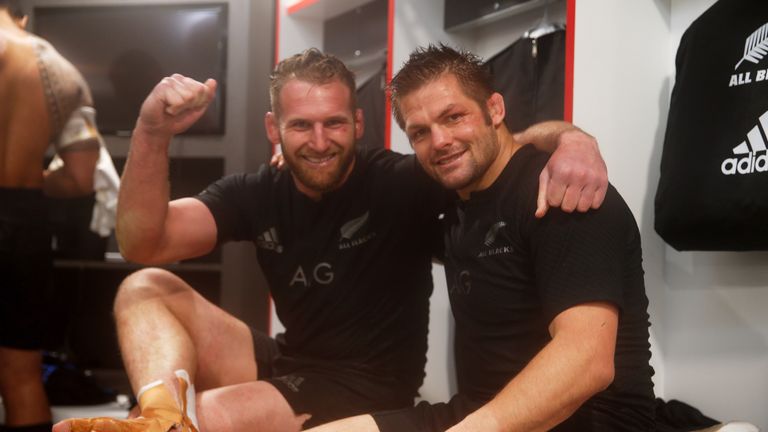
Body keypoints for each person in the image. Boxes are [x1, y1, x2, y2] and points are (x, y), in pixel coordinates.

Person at [54, 48, 607, 432]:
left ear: (359, 124)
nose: (319, 141)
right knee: (144, 286)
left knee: (212, 417)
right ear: (275, 129)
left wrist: (574, 141)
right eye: (301, 126)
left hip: (365, 385)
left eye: (334, 123)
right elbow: (142, 241)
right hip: (291, 360)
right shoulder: (257, 192)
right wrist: (151, 131)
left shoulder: (403, 180)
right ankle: (159, 415)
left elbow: (494, 151)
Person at [308, 45, 656, 432]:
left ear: (495, 109)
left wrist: (574, 140)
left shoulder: (561, 191)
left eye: (454, 117)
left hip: (590, 422)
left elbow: (587, 361)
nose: (439, 140)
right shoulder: (456, 201)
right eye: (420, 132)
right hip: (480, 411)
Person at [0, 1, 101, 431]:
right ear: (22, 13)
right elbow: (80, 179)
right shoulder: (59, 70)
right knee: (22, 375)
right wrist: (29, 174)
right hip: (24, 223)